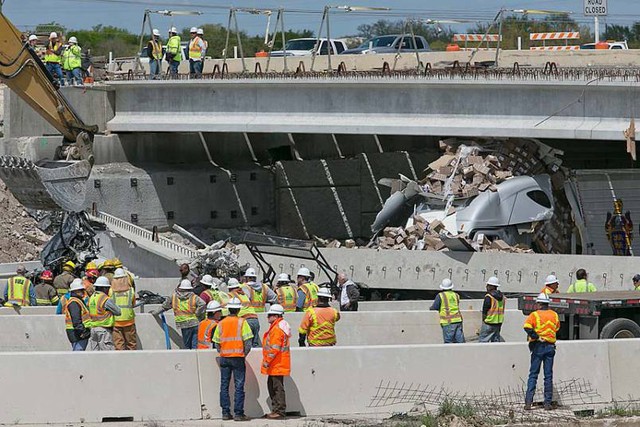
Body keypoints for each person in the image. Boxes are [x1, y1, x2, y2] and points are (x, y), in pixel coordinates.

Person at [212, 297, 253, 421]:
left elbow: (217, 343)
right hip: (238, 358)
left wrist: (224, 351)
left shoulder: (221, 323)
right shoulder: (242, 322)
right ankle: (238, 414)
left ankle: (225, 413)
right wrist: (243, 354)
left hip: (224, 357)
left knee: (224, 385)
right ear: (239, 310)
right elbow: (248, 342)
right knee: (239, 386)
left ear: (229, 309)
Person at [524, 293, 560, 411]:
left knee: (533, 374)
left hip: (538, 346)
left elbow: (527, 327)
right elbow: (557, 328)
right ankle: (547, 404)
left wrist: (536, 336)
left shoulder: (535, 315)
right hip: (550, 346)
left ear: (539, 303)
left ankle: (528, 403)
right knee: (548, 376)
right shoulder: (554, 315)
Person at [151, 279, 206, 349]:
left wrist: (155, 313)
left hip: (183, 324)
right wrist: (197, 313)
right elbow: (203, 304)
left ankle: (188, 358)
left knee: (187, 345)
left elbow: (165, 306)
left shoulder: (174, 297)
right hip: (195, 323)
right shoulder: (194, 297)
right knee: (194, 345)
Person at [261, 304, 291, 419]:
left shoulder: (277, 328)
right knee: (273, 386)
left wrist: (267, 361)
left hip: (277, 363)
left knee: (277, 388)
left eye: (270, 315)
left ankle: (279, 411)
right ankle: (276, 410)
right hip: (278, 363)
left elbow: (274, 348)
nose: (267, 317)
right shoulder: (279, 326)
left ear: (276, 315)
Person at [88, 276, 121, 351]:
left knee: (95, 354)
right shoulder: (104, 298)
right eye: (108, 288)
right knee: (107, 354)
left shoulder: (92, 297)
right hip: (103, 329)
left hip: (93, 329)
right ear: (104, 288)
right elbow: (118, 312)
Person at [110, 268, 138, 351]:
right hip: (129, 320)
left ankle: (121, 362)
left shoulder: (111, 291)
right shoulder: (131, 291)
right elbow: (133, 304)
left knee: (119, 345)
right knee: (131, 344)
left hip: (116, 321)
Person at [227, 279, 261, 347]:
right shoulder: (243, 294)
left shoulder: (230, 295)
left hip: (246, 321)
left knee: (246, 344)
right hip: (255, 320)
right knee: (255, 344)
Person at [430, 278, 465, 344]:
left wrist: (430, 308)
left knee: (448, 343)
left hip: (448, 322)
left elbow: (435, 307)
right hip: (458, 320)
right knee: (460, 343)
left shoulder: (440, 295)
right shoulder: (456, 295)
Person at [64, 279, 91, 351]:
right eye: (81, 290)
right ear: (75, 291)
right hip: (77, 333)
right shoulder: (74, 303)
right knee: (78, 353)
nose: (83, 292)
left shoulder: (77, 301)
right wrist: (83, 331)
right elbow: (76, 321)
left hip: (77, 332)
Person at [479, 276, 505, 343]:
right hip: (498, 323)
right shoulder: (502, 297)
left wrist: (484, 320)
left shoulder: (489, 297)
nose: (486, 287)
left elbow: (485, 310)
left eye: (488, 285)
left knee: (483, 342)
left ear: (492, 286)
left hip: (489, 323)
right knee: (496, 342)